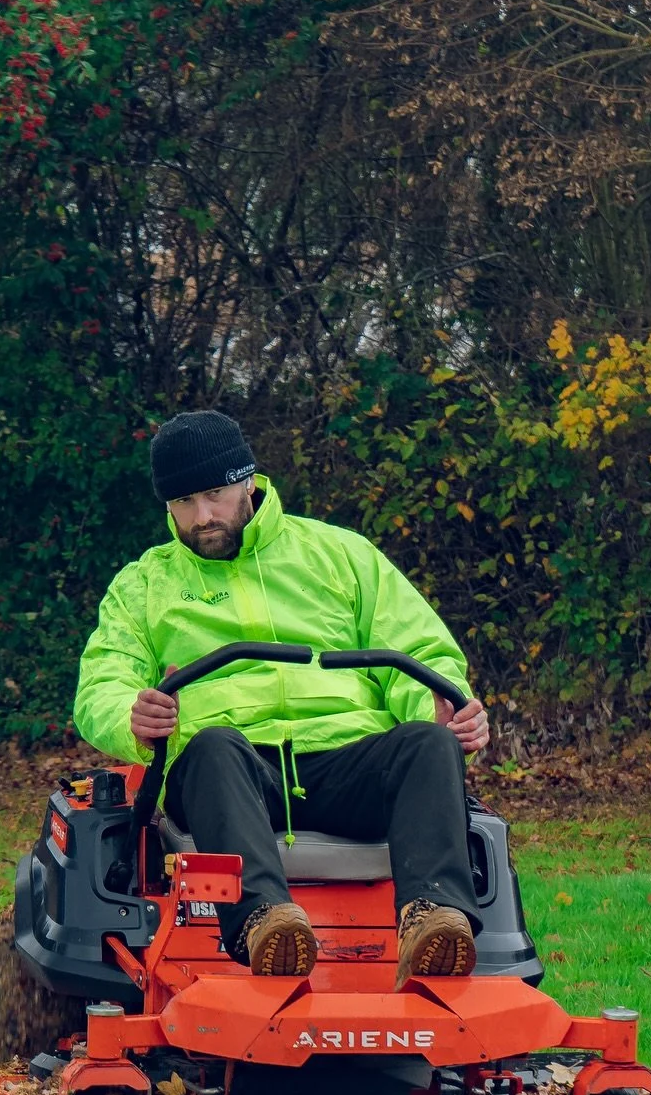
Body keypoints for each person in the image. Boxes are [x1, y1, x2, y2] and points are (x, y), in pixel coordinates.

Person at [73, 410, 491, 988]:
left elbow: (420, 652)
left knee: (426, 744)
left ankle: (434, 921)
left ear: (248, 480)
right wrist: (133, 716)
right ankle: (264, 924)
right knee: (216, 746)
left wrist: (439, 708)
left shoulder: (340, 556)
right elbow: (103, 681)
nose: (202, 517)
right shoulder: (144, 585)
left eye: (215, 495)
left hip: (349, 759)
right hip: (231, 775)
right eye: (183, 503)